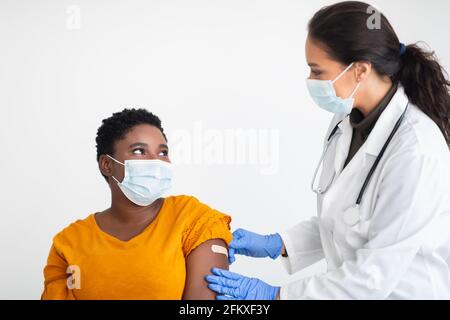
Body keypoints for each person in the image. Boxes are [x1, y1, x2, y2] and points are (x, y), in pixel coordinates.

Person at [206, 1, 450, 300]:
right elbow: (345, 221)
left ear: (359, 70)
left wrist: (275, 295)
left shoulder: (415, 151)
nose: (311, 81)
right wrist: (278, 243)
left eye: (317, 71)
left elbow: (372, 277)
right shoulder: (346, 121)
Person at [42, 108, 232, 299]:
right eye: (140, 151)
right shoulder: (69, 242)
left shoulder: (194, 220)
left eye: (163, 152)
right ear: (107, 164)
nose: (156, 162)